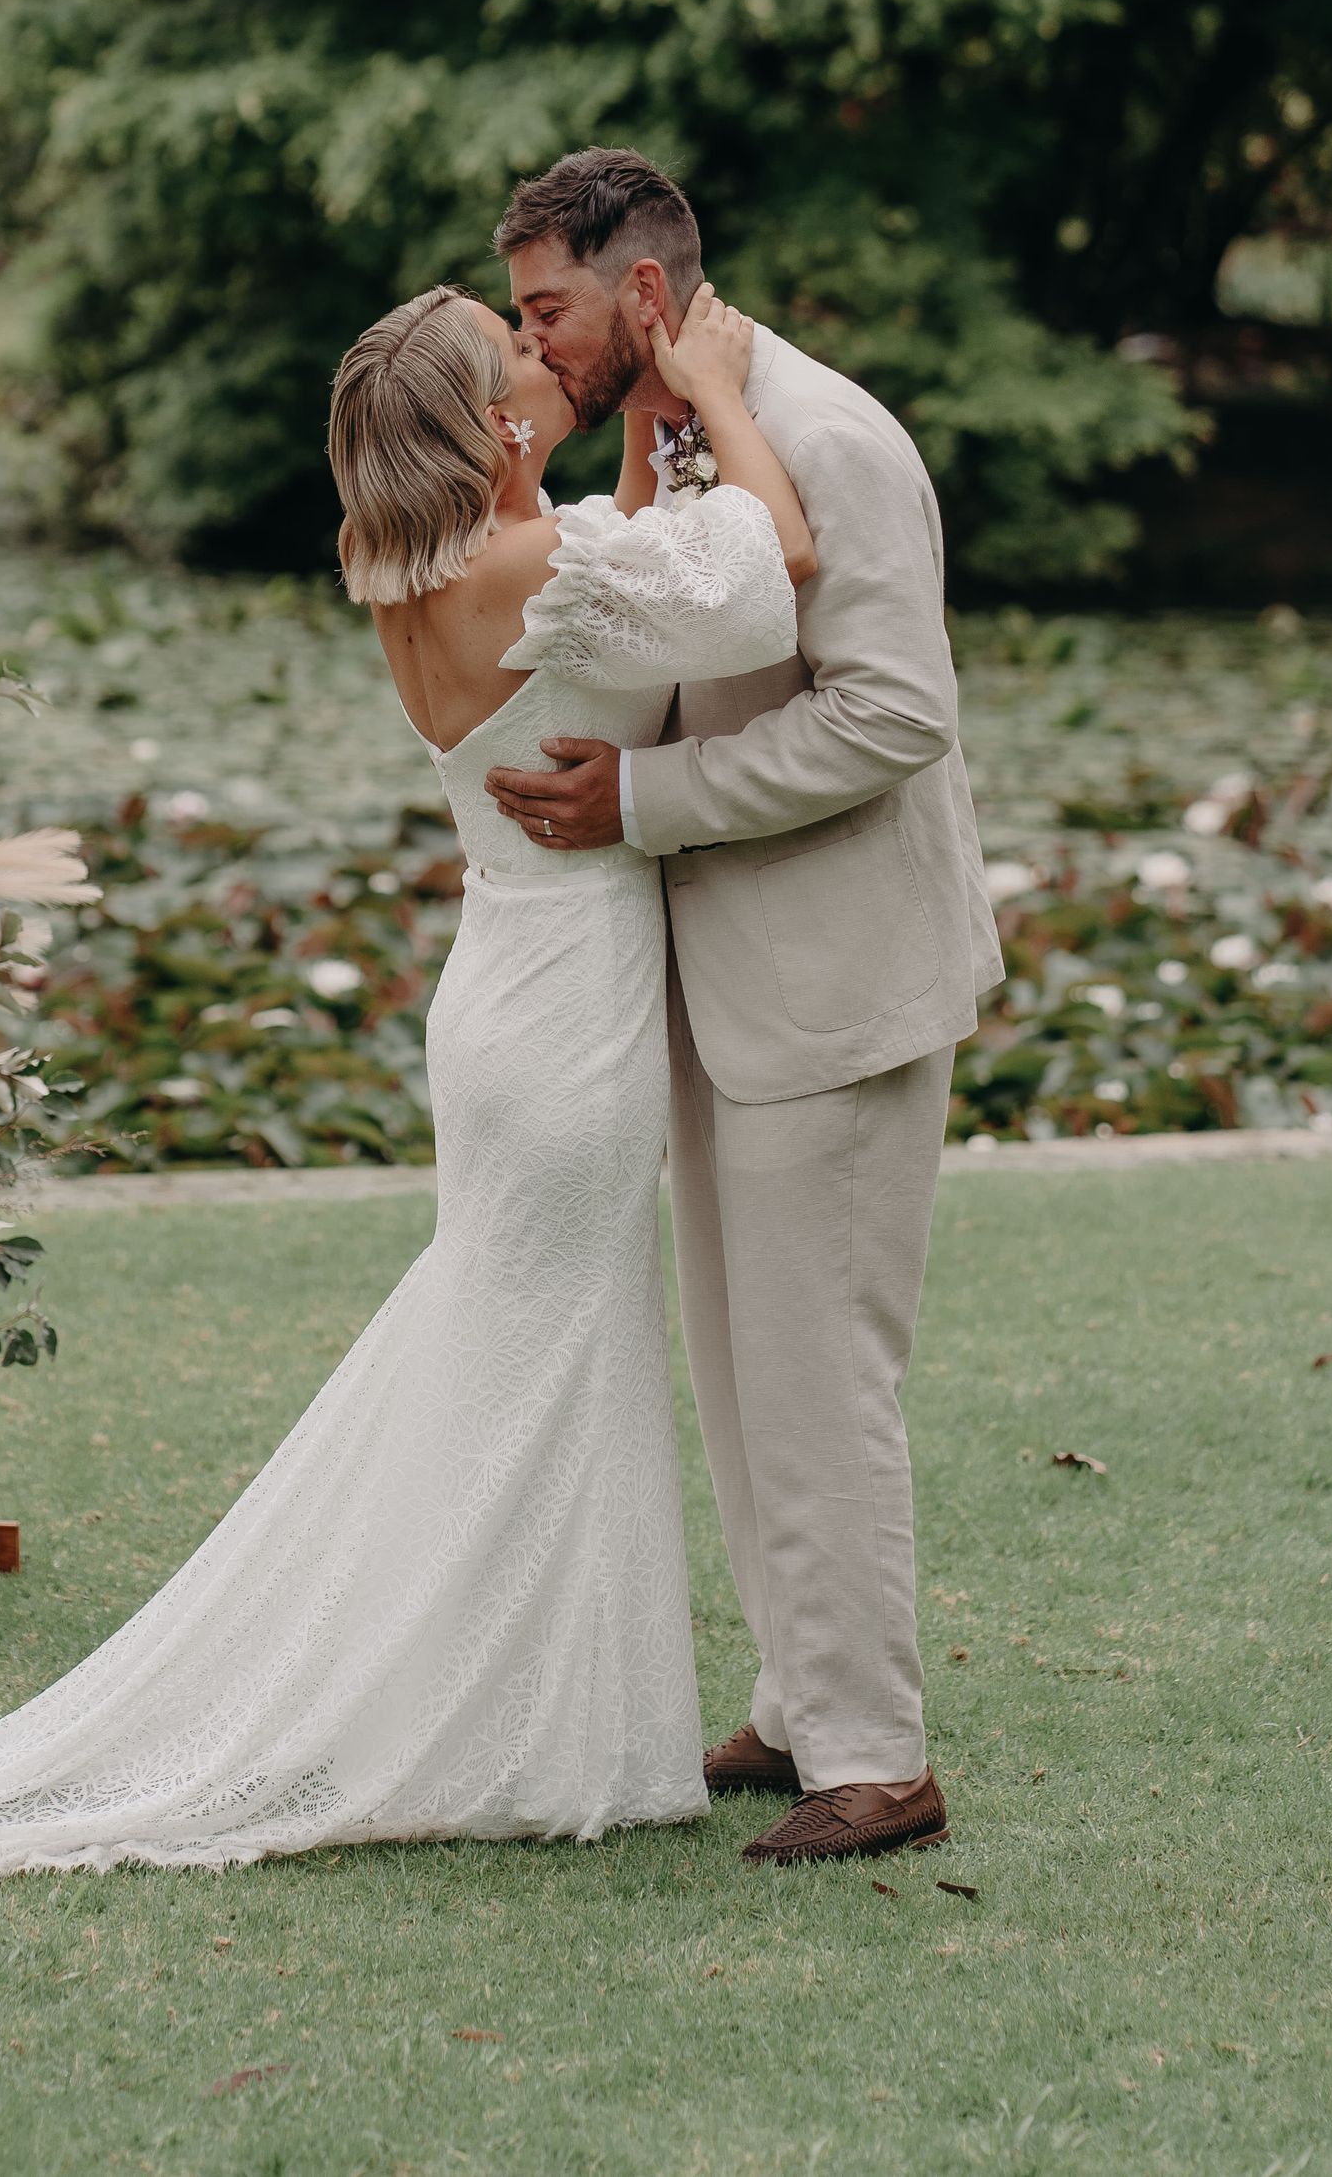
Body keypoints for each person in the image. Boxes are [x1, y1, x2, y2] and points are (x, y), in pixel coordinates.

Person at [0, 280, 812, 1890]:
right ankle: (502, 1721)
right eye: (520, 358)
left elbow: (622, 592)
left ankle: (549, 1718)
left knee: (539, 1350)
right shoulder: (527, 569)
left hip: (513, 989)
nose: (548, 359)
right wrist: (723, 395)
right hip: (565, 1018)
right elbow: (758, 590)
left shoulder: (446, 568)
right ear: (488, 427)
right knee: (543, 1357)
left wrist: (631, 440)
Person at [486, 147, 1003, 1867]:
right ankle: (797, 1703)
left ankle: (878, 1757)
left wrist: (639, 808)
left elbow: (889, 715)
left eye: (548, 309)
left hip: (835, 989)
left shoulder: (834, 441)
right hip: (722, 983)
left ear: (643, 294)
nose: (530, 344)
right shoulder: (692, 425)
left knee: (817, 1377)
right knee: (739, 1365)